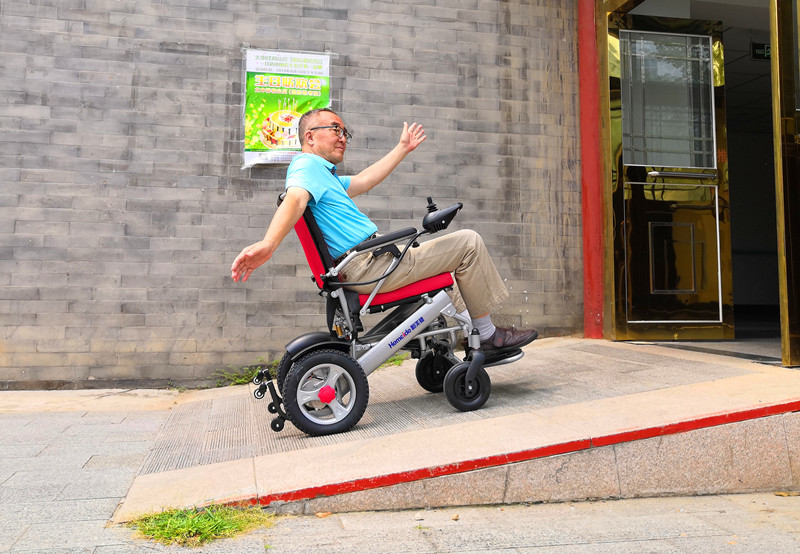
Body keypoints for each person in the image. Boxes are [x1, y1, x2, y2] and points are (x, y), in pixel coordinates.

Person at [231, 108, 537, 351]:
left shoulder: (325, 177)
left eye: (345, 132)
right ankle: (487, 335)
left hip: (369, 261)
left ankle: (475, 334)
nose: (343, 137)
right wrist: (268, 244)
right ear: (310, 137)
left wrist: (402, 149)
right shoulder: (306, 166)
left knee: (450, 266)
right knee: (468, 243)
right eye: (336, 129)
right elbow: (295, 199)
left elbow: (364, 180)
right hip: (369, 264)